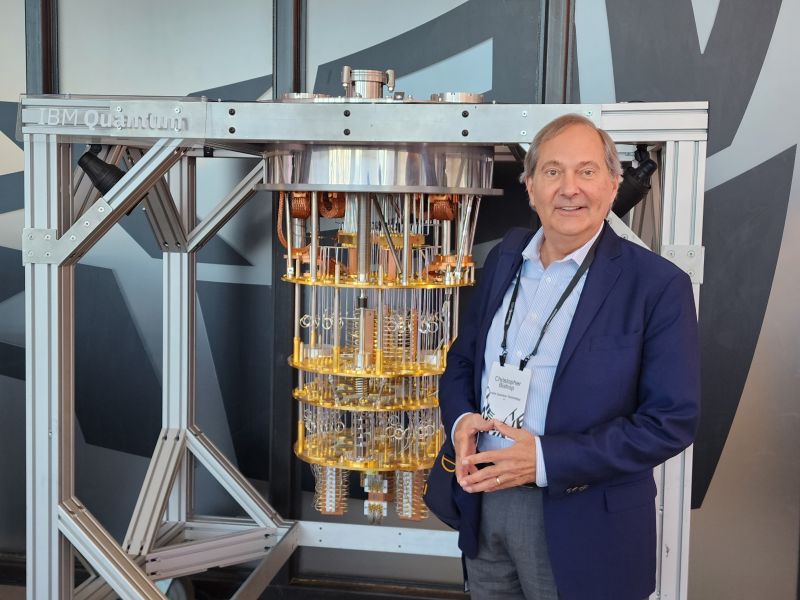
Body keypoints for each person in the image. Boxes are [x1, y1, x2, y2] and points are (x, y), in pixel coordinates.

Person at [438, 114, 700, 600]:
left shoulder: (657, 286)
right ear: (530, 186)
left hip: (583, 520)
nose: (569, 188)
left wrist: (544, 460)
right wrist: (459, 424)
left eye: (587, 171)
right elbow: (463, 361)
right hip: (485, 504)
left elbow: (670, 422)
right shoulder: (504, 258)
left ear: (613, 184)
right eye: (553, 171)